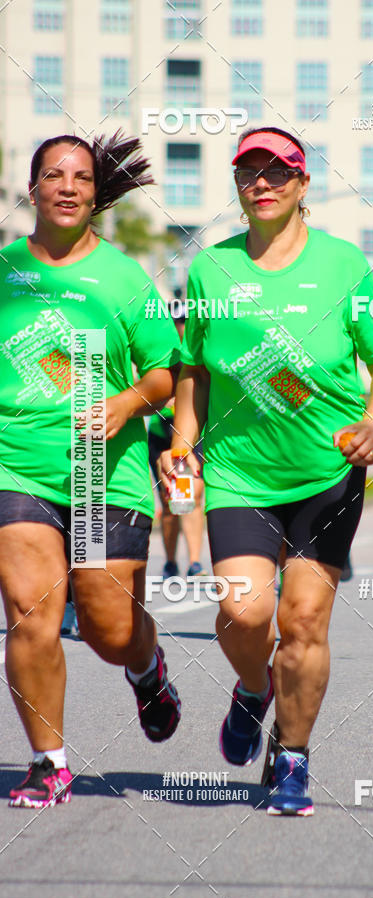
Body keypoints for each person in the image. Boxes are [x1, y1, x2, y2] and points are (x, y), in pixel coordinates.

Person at [159, 125, 373, 816]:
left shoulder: (342, 265)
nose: (261, 183)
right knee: (243, 612)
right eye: (249, 173)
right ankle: (252, 687)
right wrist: (184, 436)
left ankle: (292, 756)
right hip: (240, 473)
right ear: (238, 186)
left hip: (327, 471)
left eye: (277, 172)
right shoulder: (212, 268)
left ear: (303, 185)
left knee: (303, 622)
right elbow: (193, 366)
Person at [0, 132, 182, 809]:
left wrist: (126, 402)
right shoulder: (3, 270)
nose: (68, 186)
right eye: (54, 175)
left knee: (108, 629)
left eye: (80, 176)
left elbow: (167, 372)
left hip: (103, 473)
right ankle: (49, 762)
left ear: (94, 192)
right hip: (18, 463)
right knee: (29, 616)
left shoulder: (125, 276)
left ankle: (146, 666)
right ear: (34, 187)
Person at [148, 309, 207, 580]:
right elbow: (142, 385)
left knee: (190, 496)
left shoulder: (200, 346)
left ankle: (194, 561)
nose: (181, 328)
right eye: (177, 323)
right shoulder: (161, 351)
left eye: (185, 322)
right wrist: (162, 398)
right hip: (162, 435)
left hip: (192, 434)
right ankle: (171, 561)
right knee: (172, 501)